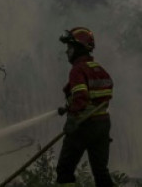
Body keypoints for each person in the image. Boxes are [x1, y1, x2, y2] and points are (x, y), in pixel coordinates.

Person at [56, 27, 114, 187]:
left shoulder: (77, 70)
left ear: (79, 48)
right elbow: (101, 96)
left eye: (69, 47)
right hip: (102, 124)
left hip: (83, 125)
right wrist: (68, 107)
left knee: (64, 171)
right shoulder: (99, 69)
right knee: (101, 172)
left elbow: (81, 98)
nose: (67, 51)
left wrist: (72, 118)